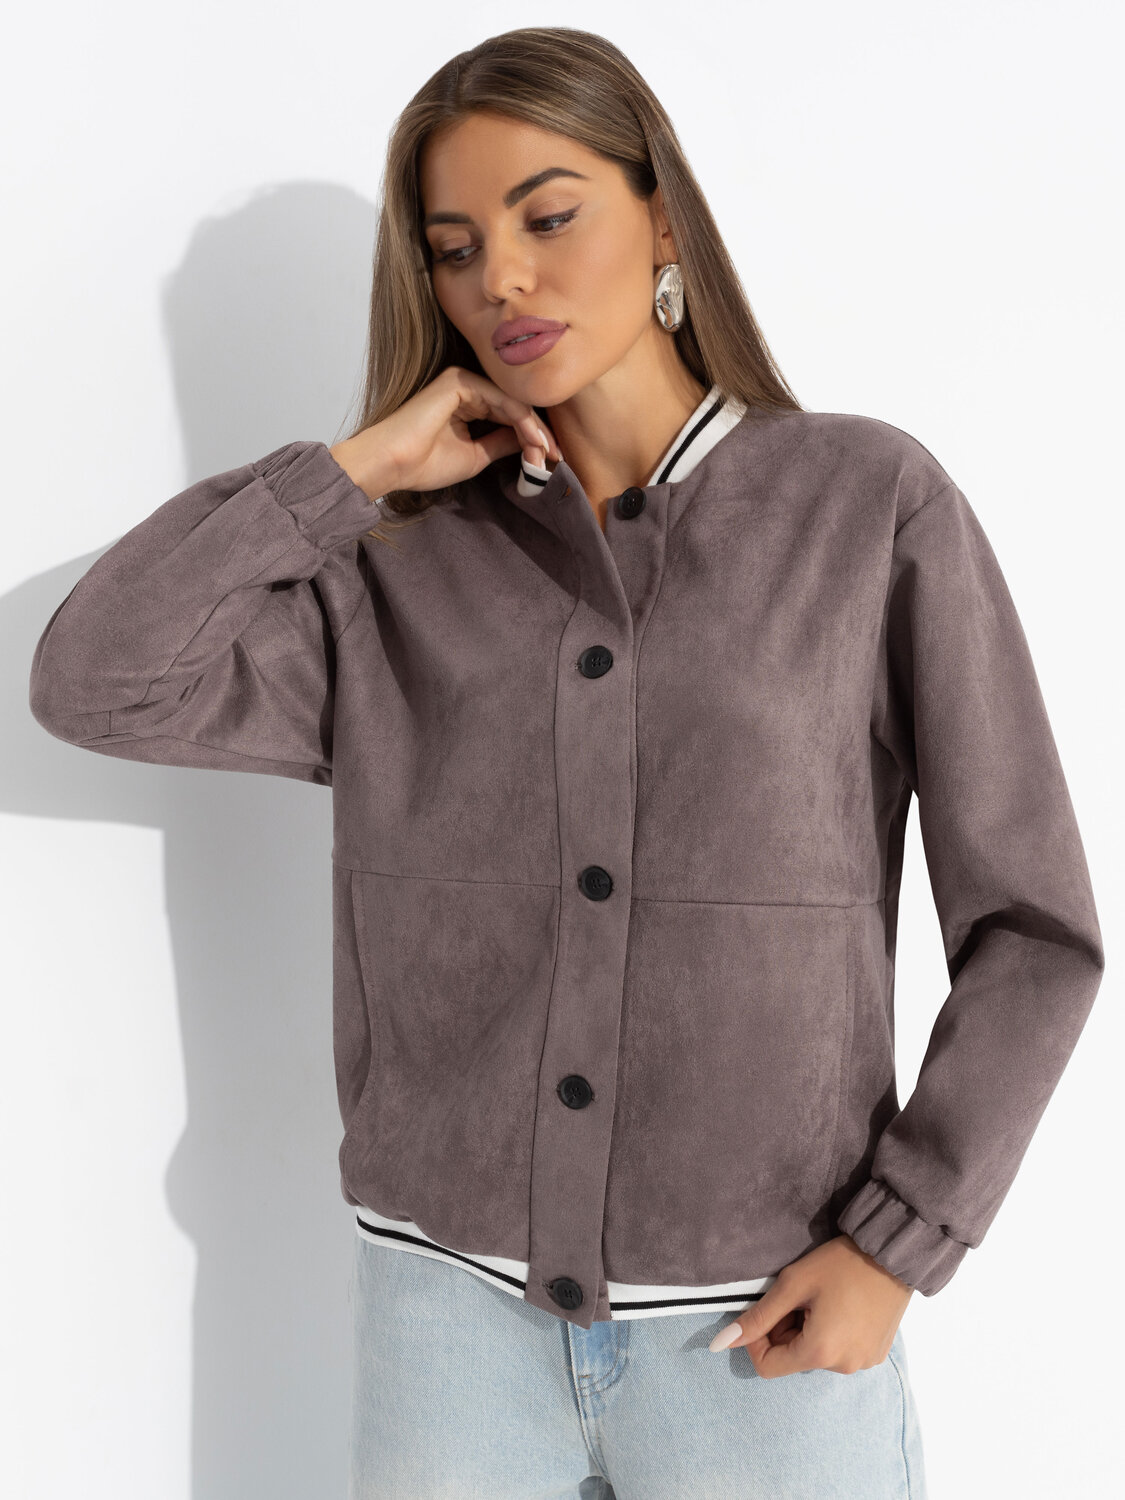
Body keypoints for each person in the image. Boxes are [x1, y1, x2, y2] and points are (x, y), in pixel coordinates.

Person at [27, 25, 1103, 1500]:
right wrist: (349, 475)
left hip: (766, 1326)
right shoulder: (399, 567)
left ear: (662, 220)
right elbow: (95, 682)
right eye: (455, 249)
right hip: (446, 1329)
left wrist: (897, 1244)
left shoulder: (863, 506)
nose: (504, 281)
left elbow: (1032, 932)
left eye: (548, 218)